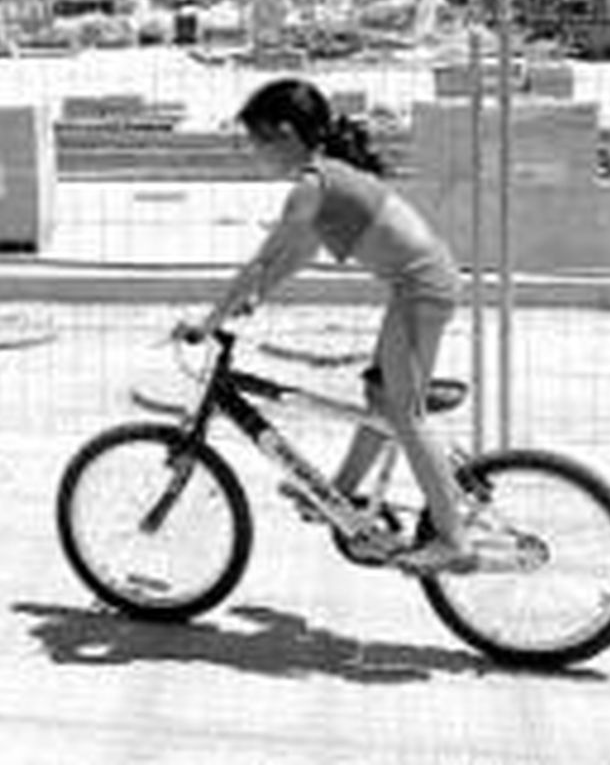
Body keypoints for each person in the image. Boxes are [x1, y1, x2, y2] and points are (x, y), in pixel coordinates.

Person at [201, 77, 471, 573]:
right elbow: (296, 255)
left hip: (421, 290)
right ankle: (339, 496)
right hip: (421, 285)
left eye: (256, 143)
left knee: (405, 415)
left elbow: (263, 260)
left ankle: (453, 540)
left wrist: (208, 321)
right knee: (379, 402)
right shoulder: (326, 177)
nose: (254, 156)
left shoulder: (311, 185)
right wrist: (256, 299)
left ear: (283, 135)